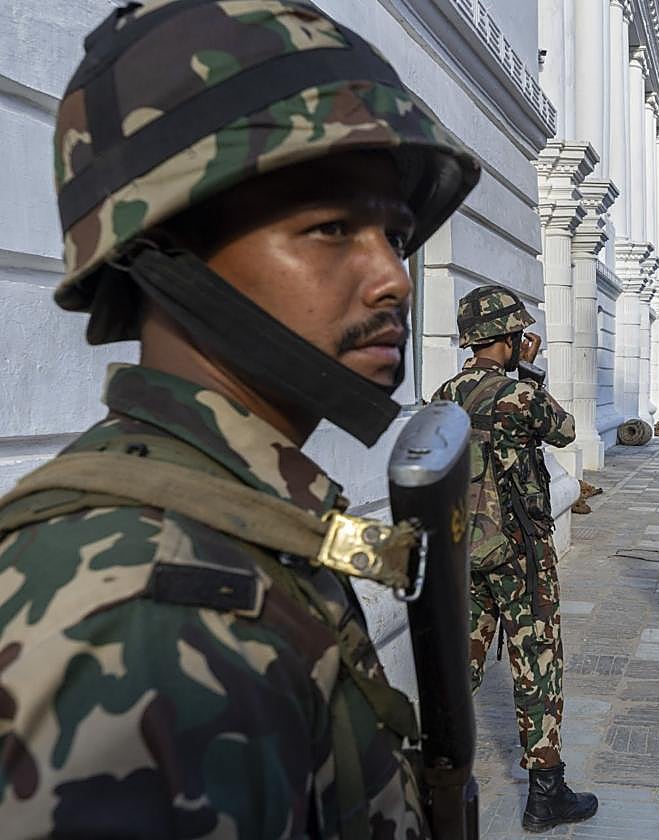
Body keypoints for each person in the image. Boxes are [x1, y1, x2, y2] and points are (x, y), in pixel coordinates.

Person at [0, 2, 481, 835]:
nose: (394, 277)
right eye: (331, 229)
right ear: (165, 256)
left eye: (394, 234)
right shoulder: (147, 619)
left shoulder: (237, 518)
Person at [433, 285, 597, 832]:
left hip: (463, 549)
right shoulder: (519, 395)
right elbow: (565, 428)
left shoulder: (443, 394)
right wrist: (527, 373)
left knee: (461, 659)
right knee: (537, 662)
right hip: (520, 553)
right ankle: (546, 792)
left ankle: (432, 775)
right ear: (508, 338)